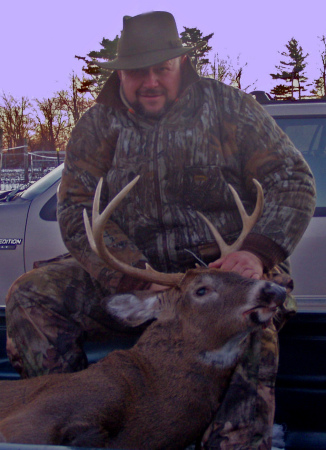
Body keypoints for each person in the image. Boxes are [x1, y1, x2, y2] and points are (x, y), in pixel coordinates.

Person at [5, 11, 315, 449]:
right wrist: (132, 274)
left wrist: (256, 252)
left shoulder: (229, 109)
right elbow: (75, 209)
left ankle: (233, 441)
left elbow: (292, 180)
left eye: (161, 69)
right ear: (121, 74)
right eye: (136, 71)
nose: (150, 81)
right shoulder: (98, 124)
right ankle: (72, 424)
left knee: (253, 320)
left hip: (223, 271)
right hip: (137, 272)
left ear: (180, 65)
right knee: (30, 294)